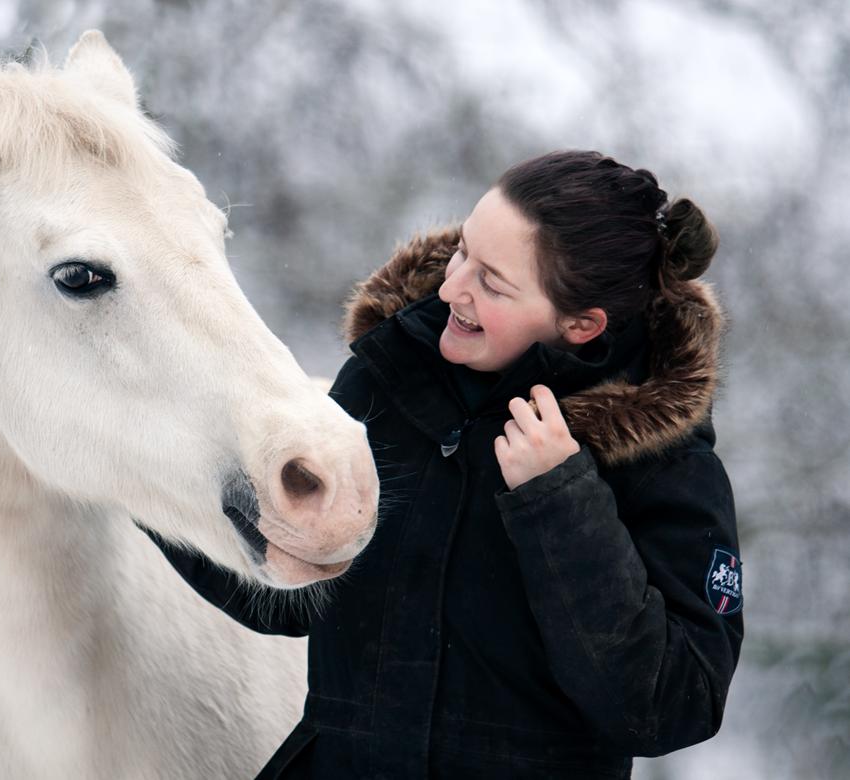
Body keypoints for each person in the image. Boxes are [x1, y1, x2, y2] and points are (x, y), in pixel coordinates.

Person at [148, 150, 743, 778]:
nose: (453, 286)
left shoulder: (664, 463)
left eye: (492, 281)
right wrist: (145, 471)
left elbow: (670, 706)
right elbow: (301, 590)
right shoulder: (391, 378)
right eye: (463, 251)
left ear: (580, 325)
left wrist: (560, 499)